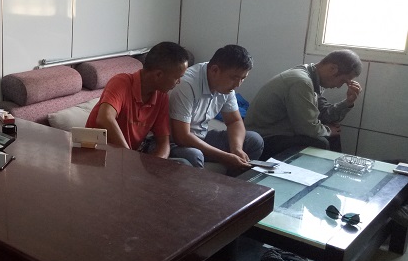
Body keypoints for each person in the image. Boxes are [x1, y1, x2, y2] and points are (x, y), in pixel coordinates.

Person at [244, 49, 362, 160]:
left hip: (282, 133)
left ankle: (334, 171)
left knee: (332, 135)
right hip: (262, 139)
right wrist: (328, 130)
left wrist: (348, 102)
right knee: (321, 142)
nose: (339, 86)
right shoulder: (301, 82)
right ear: (333, 69)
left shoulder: (313, 78)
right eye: (342, 81)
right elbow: (308, 128)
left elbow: (325, 115)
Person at [85, 42, 189, 161]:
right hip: (99, 156)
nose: (179, 82)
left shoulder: (161, 96)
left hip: (126, 158)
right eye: (177, 77)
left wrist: (157, 165)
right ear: (158, 74)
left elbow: (163, 143)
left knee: (183, 163)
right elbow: (104, 119)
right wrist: (130, 158)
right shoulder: (121, 83)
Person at [168, 44, 263, 172]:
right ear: (214, 70)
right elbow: (182, 136)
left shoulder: (227, 86)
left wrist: (236, 149)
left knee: (254, 140)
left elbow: (234, 121)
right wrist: (223, 156)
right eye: (234, 78)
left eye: (243, 78)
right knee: (194, 155)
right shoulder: (187, 85)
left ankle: (233, 182)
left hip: (202, 136)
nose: (238, 84)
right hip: (176, 142)